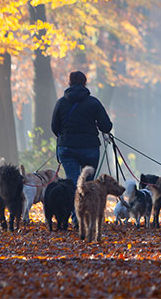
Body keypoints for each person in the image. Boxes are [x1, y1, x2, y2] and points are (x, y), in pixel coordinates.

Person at [51, 71, 112, 226]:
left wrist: (65, 135)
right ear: (85, 83)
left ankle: (75, 216)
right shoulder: (93, 103)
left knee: (73, 182)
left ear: (70, 82)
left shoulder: (61, 103)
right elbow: (107, 126)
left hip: (67, 148)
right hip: (89, 148)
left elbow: (54, 127)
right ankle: (86, 217)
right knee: (88, 184)